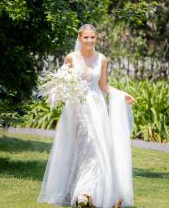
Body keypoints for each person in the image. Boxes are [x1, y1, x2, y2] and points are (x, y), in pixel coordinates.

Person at [37, 24, 135, 208]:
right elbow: (62, 83)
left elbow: (103, 86)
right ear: (79, 38)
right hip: (77, 109)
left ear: (96, 38)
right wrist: (62, 92)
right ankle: (76, 192)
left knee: (96, 149)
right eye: (86, 37)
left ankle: (86, 192)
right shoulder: (71, 58)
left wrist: (122, 95)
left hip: (97, 109)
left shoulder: (102, 59)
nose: (90, 41)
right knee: (79, 148)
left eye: (93, 37)